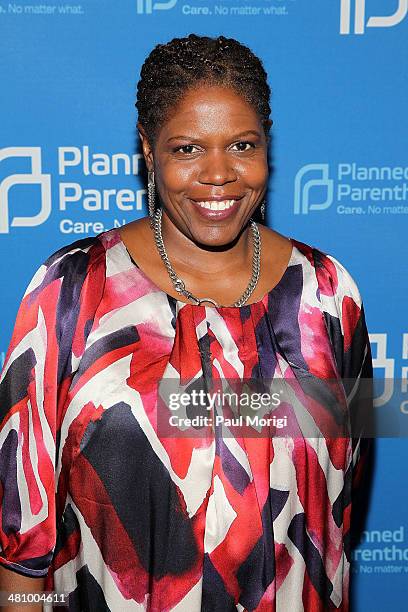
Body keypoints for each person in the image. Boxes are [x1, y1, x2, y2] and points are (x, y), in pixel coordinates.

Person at [0, 34, 372, 611]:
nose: (218, 173)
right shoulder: (72, 290)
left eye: (242, 145)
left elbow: (340, 512)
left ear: (267, 148)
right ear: (149, 152)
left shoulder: (328, 296)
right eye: (188, 149)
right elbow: (23, 542)